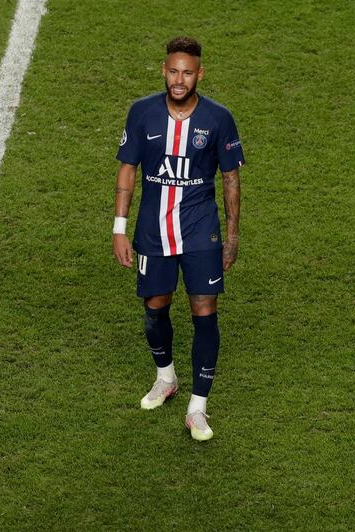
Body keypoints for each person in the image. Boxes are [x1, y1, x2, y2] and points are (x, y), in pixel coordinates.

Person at [112, 37, 244, 441]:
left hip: (201, 230)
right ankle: (165, 378)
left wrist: (233, 234)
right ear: (164, 70)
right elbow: (128, 172)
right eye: (173, 71)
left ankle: (198, 407)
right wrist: (119, 228)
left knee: (205, 310)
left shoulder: (219, 118)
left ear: (199, 74)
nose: (179, 79)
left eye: (188, 72)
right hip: (153, 232)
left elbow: (231, 179)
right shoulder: (142, 113)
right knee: (155, 307)